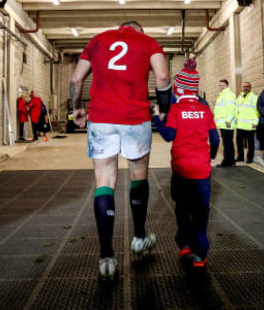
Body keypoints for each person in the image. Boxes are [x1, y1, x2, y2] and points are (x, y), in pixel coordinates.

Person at [70, 20, 170, 279]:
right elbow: (162, 76)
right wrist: (165, 108)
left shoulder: (97, 40)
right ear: (140, 30)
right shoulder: (148, 42)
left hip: (101, 118)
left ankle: (106, 256)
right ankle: (138, 238)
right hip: (135, 118)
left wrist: (76, 107)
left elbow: (76, 78)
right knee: (138, 176)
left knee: (104, 181)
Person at [152, 65, 219, 268]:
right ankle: (200, 255)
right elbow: (215, 139)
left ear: (178, 90)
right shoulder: (206, 110)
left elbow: (168, 136)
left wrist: (156, 117)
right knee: (201, 211)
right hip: (202, 171)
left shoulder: (176, 110)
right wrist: (211, 158)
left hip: (181, 170)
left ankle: (184, 245)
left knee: (182, 207)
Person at [214, 79, 237, 168]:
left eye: (223, 85)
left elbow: (231, 108)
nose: (221, 87)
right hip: (222, 124)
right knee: (227, 143)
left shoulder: (229, 95)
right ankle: (231, 161)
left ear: (227, 86)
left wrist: (228, 120)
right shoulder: (221, 96)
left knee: (227, 143)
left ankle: (227, 162)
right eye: (220, 85)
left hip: (227, 123)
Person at [235, 81, 259, 164]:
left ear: (250, 87)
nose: (245, 88)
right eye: (244, 86)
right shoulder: (239, 98)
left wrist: (255, 122)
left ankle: (249, 158)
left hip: (249, 125)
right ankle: (240, 157)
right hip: (240, 125)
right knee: (239, 141)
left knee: (250, 143)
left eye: (247, 86)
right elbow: (236, 110)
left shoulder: (254, 97)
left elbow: (257, 111)